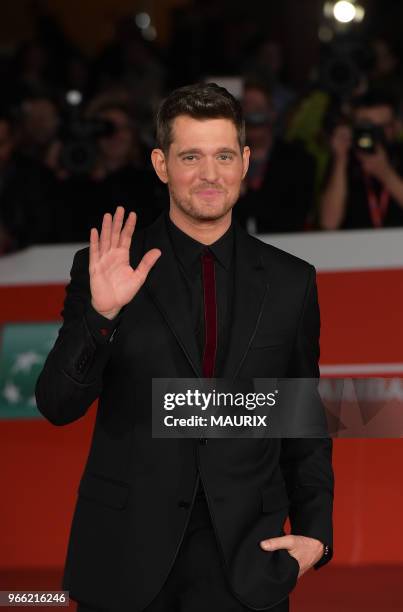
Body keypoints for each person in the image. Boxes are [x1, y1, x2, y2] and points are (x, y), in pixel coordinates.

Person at [35, 83, 334, 611]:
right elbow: (57, 405)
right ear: (160, 164)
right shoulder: (108, 266)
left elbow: (299, 419)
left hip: (247, 560)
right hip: (124, 557)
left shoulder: (292, 282)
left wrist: (317, 534)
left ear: (244, 161)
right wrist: (102, 318)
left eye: (223, 155)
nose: (209, 174)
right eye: (190, 156)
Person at [234, 81, 315, 234]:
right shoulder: (222, 161)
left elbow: (293, 218)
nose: (252, 117)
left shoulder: (299, 161)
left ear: (272, 113)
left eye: (258, 110)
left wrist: (246, 194)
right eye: (245, 110)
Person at [319, 90, 403, 229]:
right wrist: (340, 159)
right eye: (366, 127)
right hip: (353, 247)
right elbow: (328, 223)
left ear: (396, 127)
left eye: (381, 128)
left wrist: (386, 174)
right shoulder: (345, 158)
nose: (374, 134)